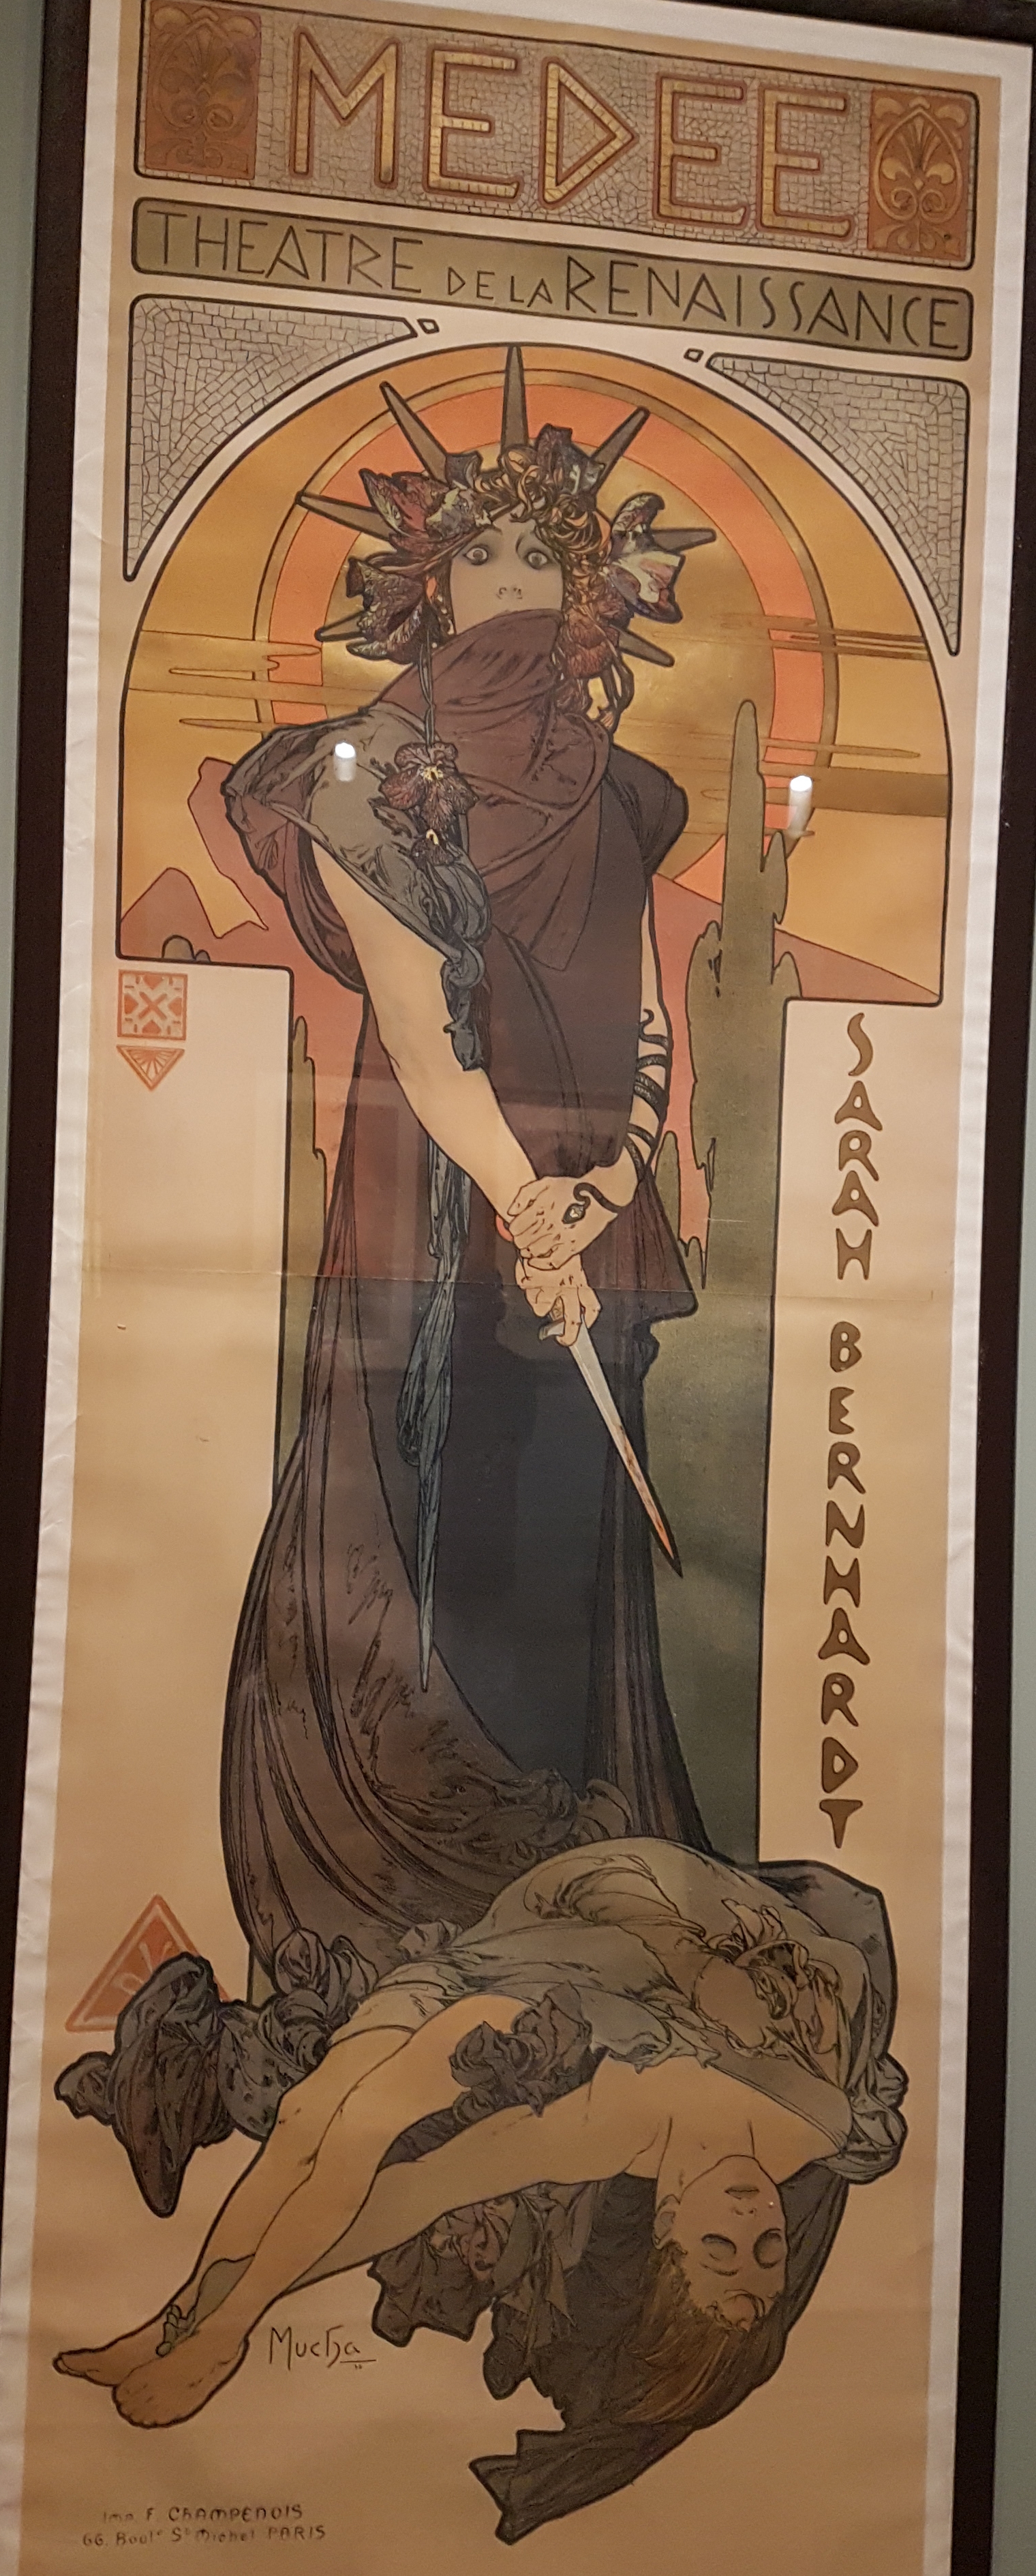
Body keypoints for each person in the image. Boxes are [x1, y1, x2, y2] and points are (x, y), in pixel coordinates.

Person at [217, 349, 720, 1979]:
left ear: (590, 596)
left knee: (565, 1561)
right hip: (435, 1223)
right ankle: (434, 1935)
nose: (512, 585)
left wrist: (607, 1185)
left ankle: (576, 1913)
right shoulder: (370, 772)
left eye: (542, 559)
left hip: (582, 1218)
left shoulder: (624, 793)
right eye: (481, 556)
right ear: (428, 587)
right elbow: (426, 1042)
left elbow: (644, 1016)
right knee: (438, 1544)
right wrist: (523, 1204)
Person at [57, 1838, 906, 2532]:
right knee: (343, 2121)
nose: (755, 2217)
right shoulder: (808, 2123)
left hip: (528, 1973)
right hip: (601, 1915)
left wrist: (257, 2299)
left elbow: (419, 2191)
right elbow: (804, 1957)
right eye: (769, 2247)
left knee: (325, 2118)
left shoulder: (617, 2129)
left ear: (669, 2230)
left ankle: (188, 2323)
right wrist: (709, 1970)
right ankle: (206, 2331)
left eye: (722, 2247)